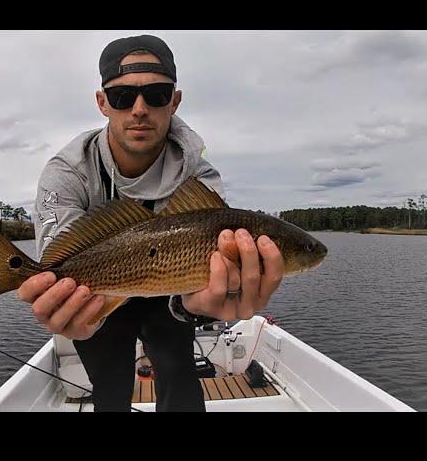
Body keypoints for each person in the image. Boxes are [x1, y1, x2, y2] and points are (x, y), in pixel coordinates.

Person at [17, 34, 285, 412]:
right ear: (102, 103)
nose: (139, 109)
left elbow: (204, 271)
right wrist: (67, 307)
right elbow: (57, 255)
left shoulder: (198, 173)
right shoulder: (67, 172)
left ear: (174, 101)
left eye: (157, 94)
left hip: (171, 289)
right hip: (98, 287)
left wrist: (198, 304)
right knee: (109, 382)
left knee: (179, 374)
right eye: (123, 97)